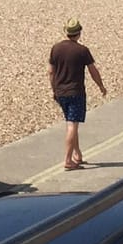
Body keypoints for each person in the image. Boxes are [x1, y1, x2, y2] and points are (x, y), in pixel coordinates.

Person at [49, 19, 107, 171]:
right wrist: (101, 86)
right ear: (79, 33)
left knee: (70, 122)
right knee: (72, 125)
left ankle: (77, 154)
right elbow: (93, 71)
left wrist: (54, 89)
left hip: (61, 92)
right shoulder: (82, 50)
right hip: (76, 92)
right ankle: (68, 160)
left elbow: (50, 72)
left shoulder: (56, 48)